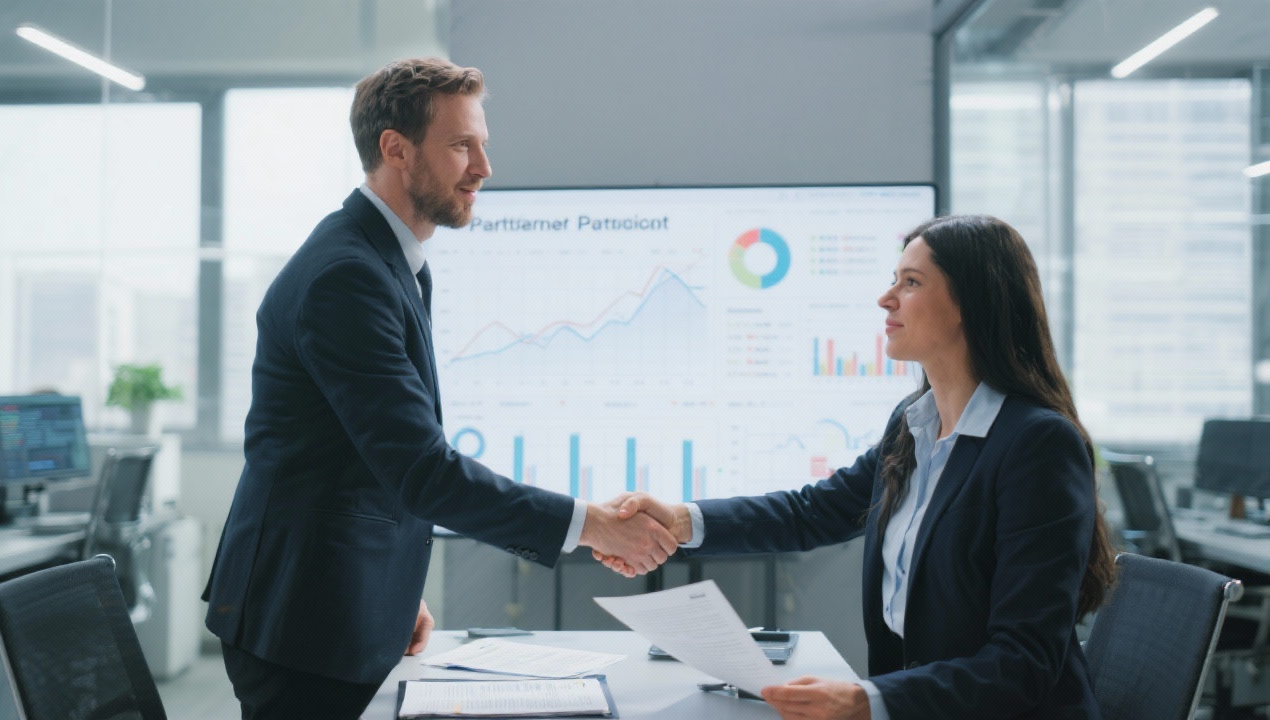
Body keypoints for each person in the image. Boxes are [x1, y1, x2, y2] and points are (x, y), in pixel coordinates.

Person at [203, 57, 677, 720]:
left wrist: (392, 592)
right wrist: (592, 524)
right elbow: (421, 469)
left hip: (341, 602)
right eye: (461, 146)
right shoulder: (348, 275)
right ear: (394, 149)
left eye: (482, 145)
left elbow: (363, 460)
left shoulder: (387, 261)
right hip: (303, 623)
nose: (483, 168)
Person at [601, 214, 1117, 720]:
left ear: (971, 303)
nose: (886, 298)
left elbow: (1024, 663)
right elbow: (812, 513)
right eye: (893, 280)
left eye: (910, 283)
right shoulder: (913, 425)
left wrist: (869, 702)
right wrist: (681, 521)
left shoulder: (1036, 445)